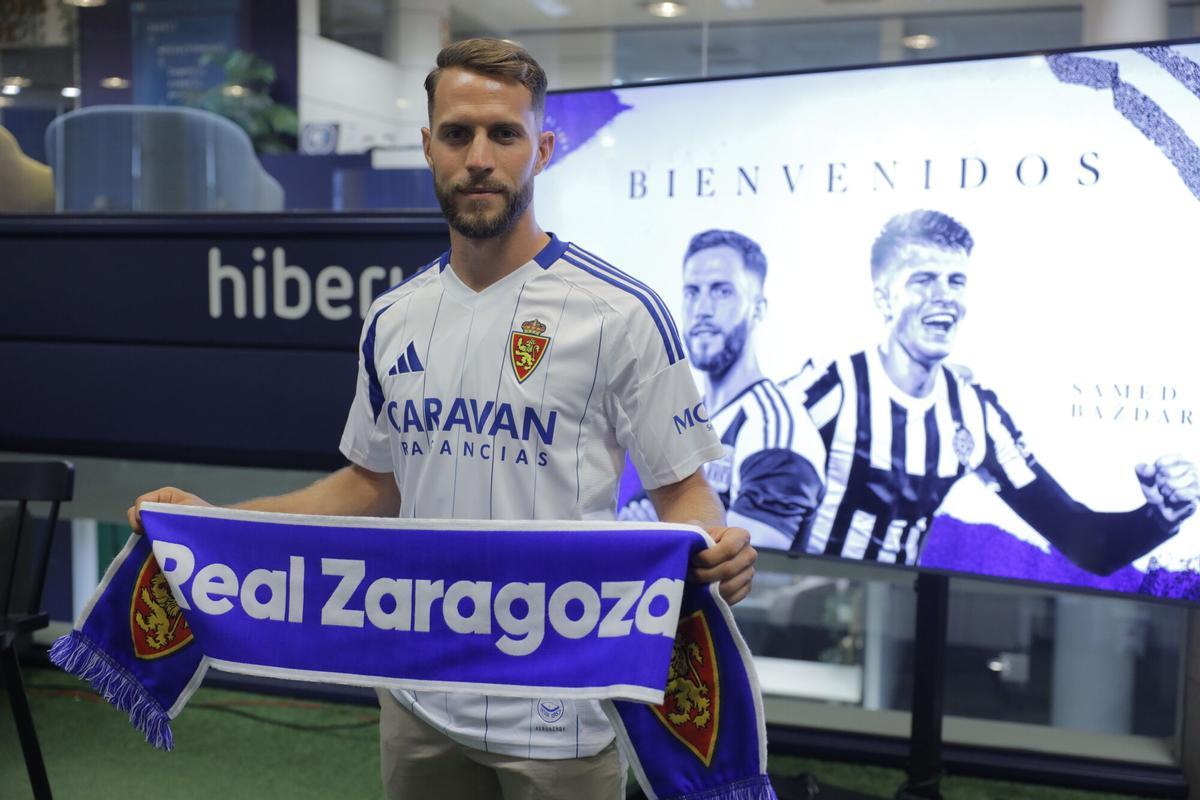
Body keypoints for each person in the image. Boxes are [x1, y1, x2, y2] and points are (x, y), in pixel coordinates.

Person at [127, 38, 755, 800]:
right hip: (416, 690)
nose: (479, 157)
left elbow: (682, 492)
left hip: (560, 712)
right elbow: (369, 485)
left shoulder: (621, 312)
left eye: (504, 134)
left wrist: (721, 547)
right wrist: (217, 526)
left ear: (544, 148)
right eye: (458, 134)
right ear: (428, 147)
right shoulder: (395, 316)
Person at [787, 209, 1198, 573]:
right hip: (789, 614)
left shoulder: (973, 413)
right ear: (884, 297)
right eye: (923, 280)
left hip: (889, 618)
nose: (943, 297)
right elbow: (727, 464)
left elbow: (1087, 545)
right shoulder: (827, 392)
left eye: (956, 281)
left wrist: (1159, 516)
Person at [620, 229, 824, 550]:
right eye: (692, 292)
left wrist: (659, 528)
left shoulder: (775, 429)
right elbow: (629, 519)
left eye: (722, 291)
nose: (702, 309)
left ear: (757, 309)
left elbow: (742, 559)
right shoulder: (684, 416)